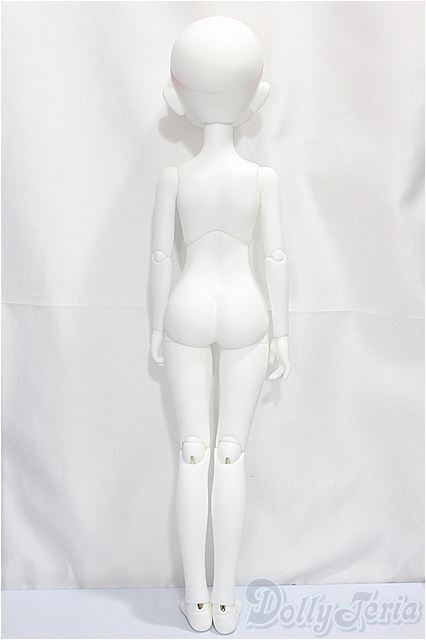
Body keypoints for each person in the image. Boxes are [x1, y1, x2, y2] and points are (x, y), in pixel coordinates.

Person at [150, 16, 290, 634]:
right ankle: (227, 598)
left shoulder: (175, 178)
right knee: (230, 451)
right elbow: (275, 257)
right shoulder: (261, 179)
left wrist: (156, 327)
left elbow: (160, 257)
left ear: (176, 97)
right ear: (257, 97)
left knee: (192, 451)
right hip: (245, 309)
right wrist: (282, 332)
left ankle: (199, 598)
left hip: (184, 306)